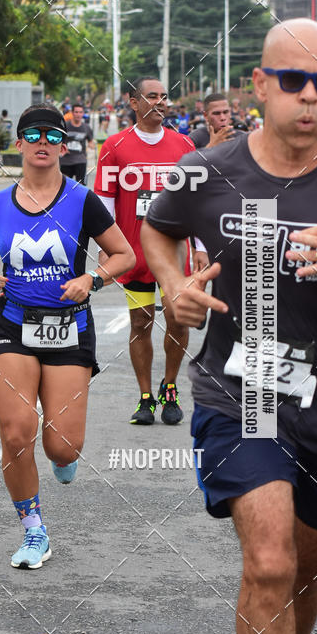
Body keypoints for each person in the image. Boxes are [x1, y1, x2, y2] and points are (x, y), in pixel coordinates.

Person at [141, 17, 317, 634]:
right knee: (267, 558)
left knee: (304, 565)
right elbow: (156, 228)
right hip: (243, 393)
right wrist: (172, 287)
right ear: (259, 86)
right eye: (292, 80)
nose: (308, 95)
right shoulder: (206, 169)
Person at [0, 104, 134, 568]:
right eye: (33, 134)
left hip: (69, 327)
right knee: (16, 433)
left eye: (53, 135)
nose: (43, 142)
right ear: (18, 143)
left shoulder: (83, 200)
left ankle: (63, 458)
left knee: (61, 445)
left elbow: (123, 255)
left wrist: (93, 280)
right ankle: (34, 529)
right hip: (12, 324)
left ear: (64, 145)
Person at [94, 76, 196, 426]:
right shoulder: (115, 146)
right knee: (140, 322)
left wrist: (199, 247)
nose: (161, 102)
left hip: (173, 255)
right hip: (134, 254)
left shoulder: (183, 146)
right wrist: (107, 248)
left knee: (178, 319)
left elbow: (195, 201)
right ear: (133, 102)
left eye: (164, 96)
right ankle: (145, 397)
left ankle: (170, 387)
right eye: (152, 96)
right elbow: (105, 200)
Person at [59, 104, 94, 185]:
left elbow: (91, 142)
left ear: (83, 114)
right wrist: (61, 147)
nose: (78, 114)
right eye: (76, 112)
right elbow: (57, 140)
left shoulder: (86, 128)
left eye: (80, 112)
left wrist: (91, 146)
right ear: (72, 113)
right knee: (63, 186)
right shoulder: (65, 126)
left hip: (80, 160)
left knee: (81, 186)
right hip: (66, 160)